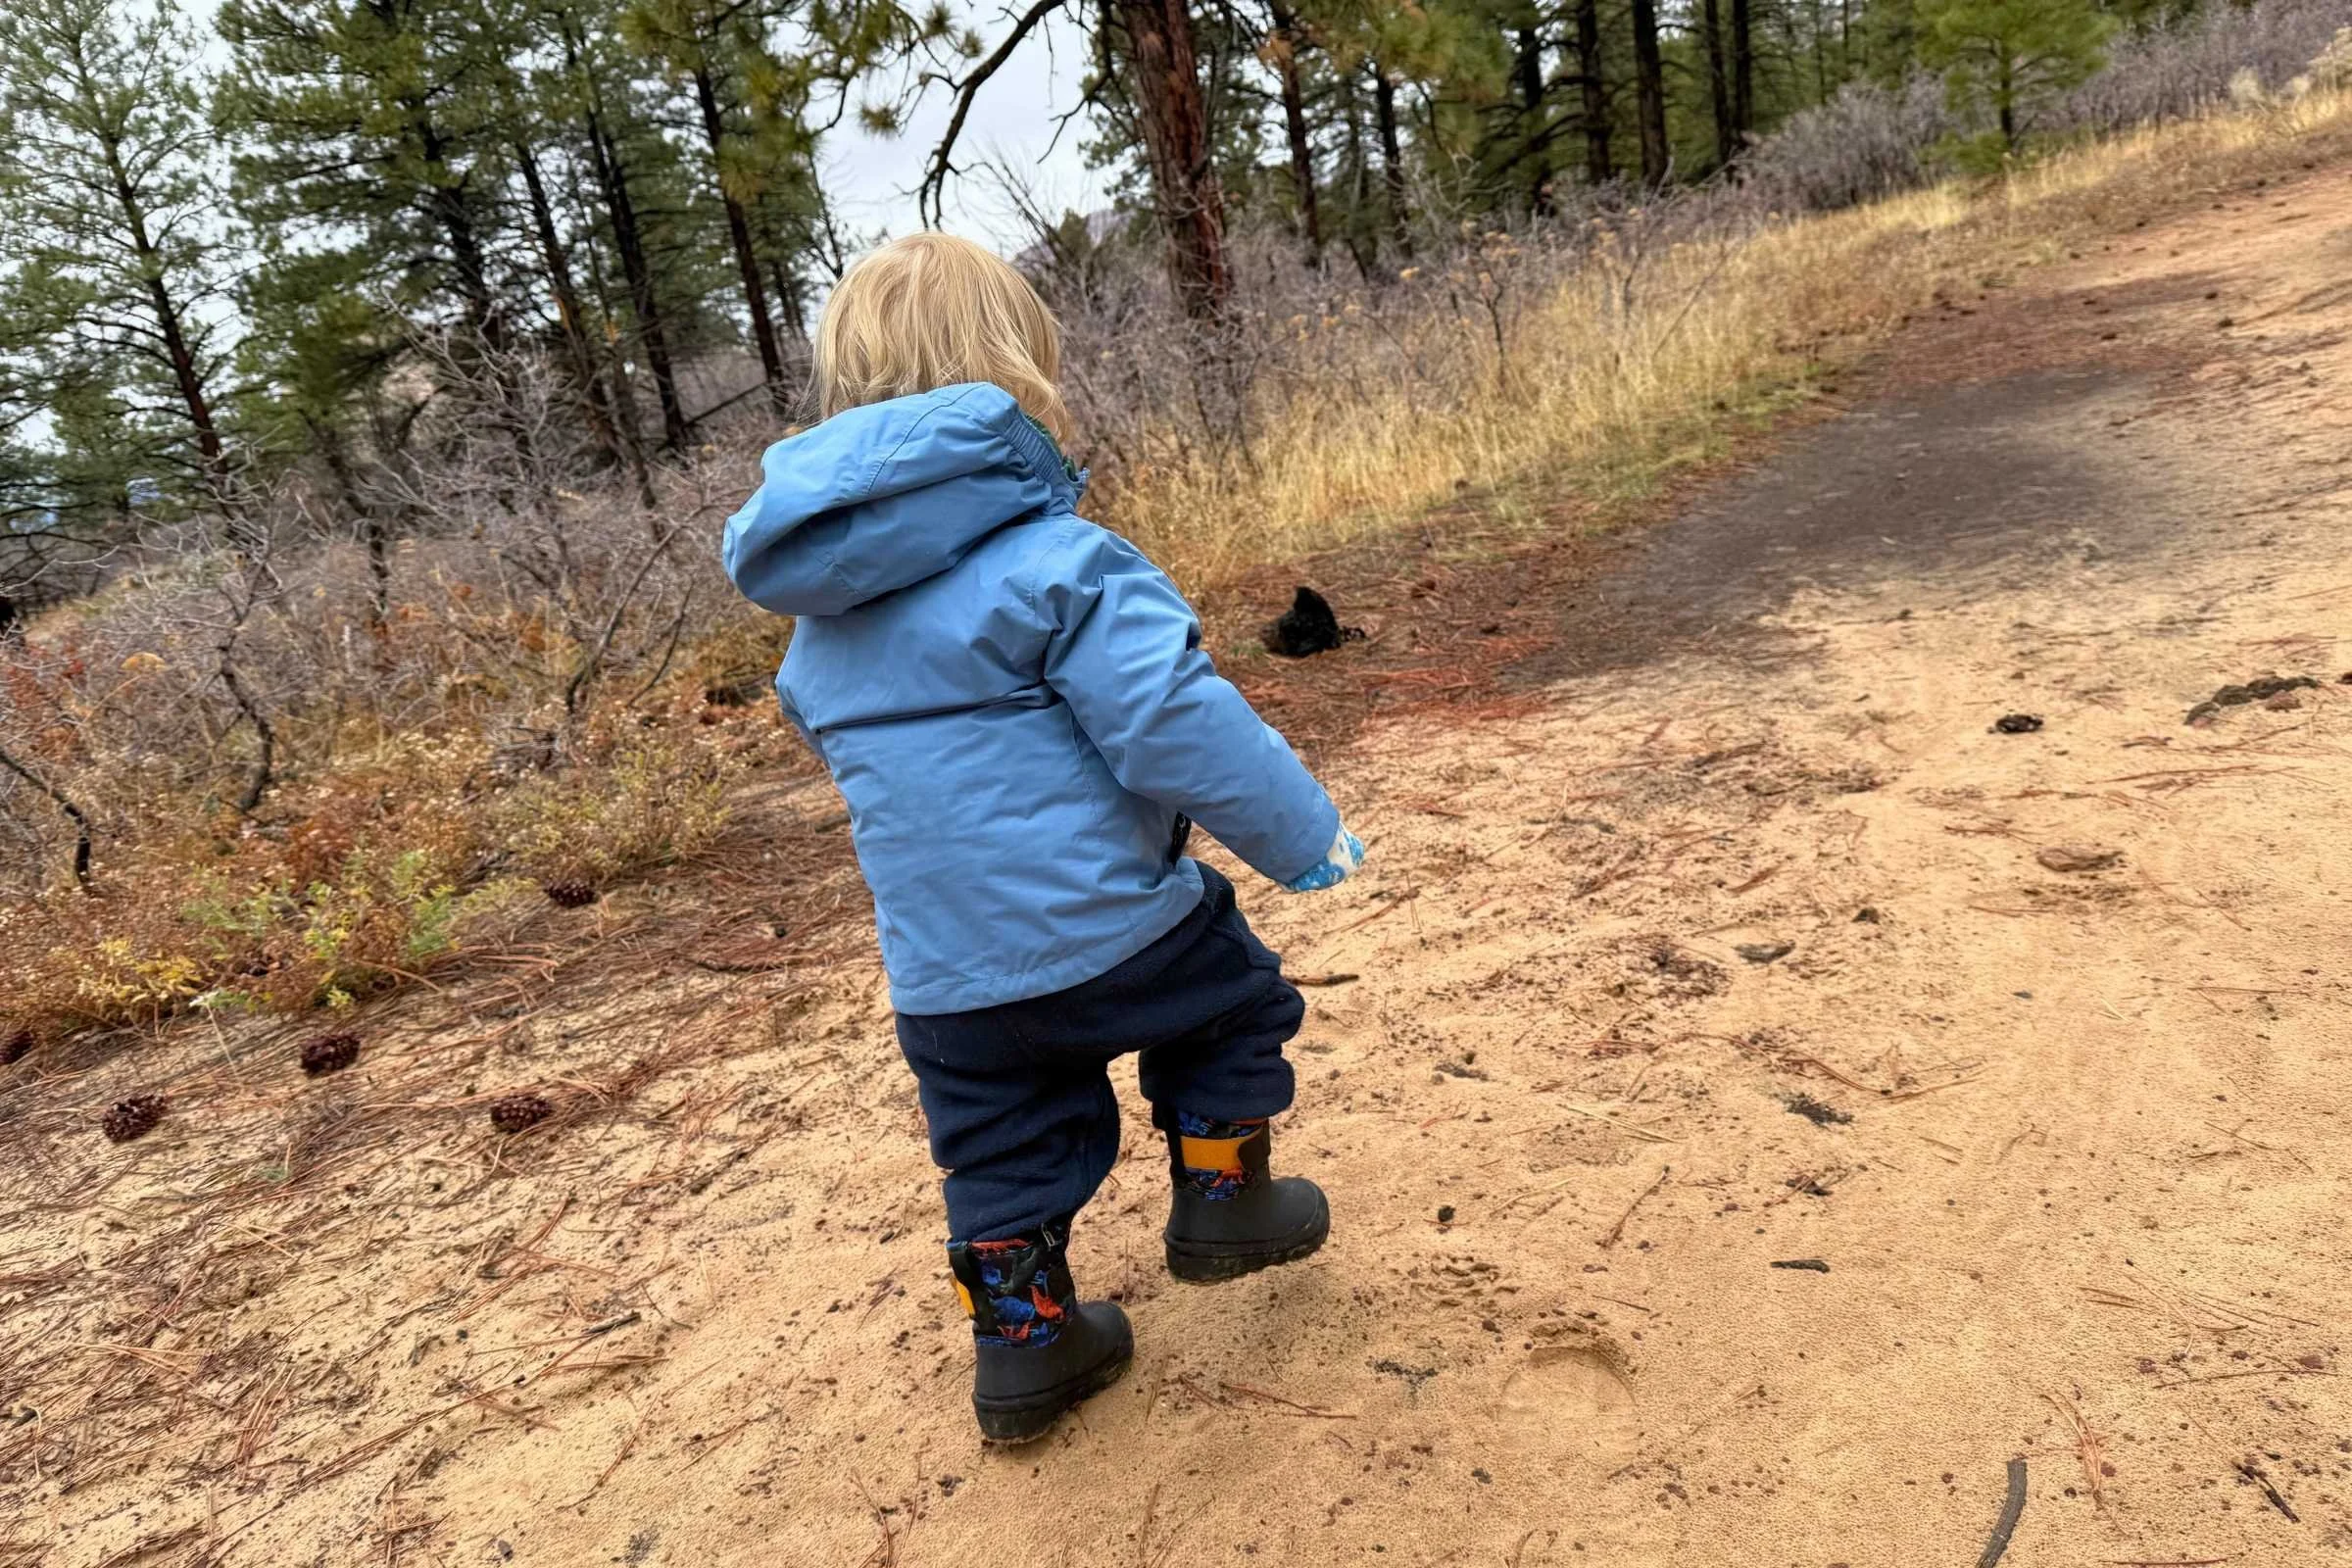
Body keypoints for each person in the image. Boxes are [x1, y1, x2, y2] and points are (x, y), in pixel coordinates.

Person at [721, 233, 1365, 1444]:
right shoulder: (1062, 563)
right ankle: (1224, 1200)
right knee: (1228, 1004)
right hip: (1121, 931)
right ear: (1018, 374)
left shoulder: (816, 633)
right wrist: (1302, 835)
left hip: (947, 984)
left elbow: (847, 747)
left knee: (998, 1145)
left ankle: (1024, 1352)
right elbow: (1175, 724)